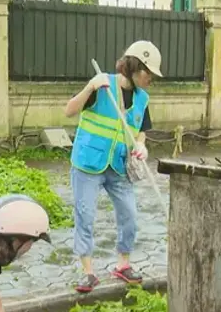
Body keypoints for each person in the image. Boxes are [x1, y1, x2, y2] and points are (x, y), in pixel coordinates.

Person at [64, 40, 163, 293]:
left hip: (119, 167)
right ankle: (87, 272)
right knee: (85, 216)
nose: (151, 78)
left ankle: (123, 264)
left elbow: (141, 132)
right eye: (148, 72)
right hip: (88, 162)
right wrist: (89, 87)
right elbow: (69, 111)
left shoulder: (143, 98)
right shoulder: (102, 84)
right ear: (133, 67)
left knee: (129, 214)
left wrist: (142, 146)